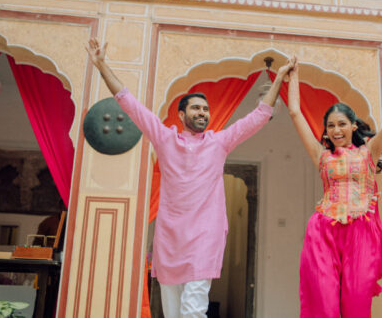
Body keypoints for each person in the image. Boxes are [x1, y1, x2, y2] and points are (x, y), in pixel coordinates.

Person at [86, 39, 294, 318]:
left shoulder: (219, 143)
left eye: (205, 109)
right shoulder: (164, 139)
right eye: (196, 108)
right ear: (182, 114)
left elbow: (258, 116)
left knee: (193, 309)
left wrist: (278, 78)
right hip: (170, 238)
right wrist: (101, 65)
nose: (202, 113)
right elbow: (129, 102)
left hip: (205, 237)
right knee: (173, 312)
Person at [287, 45, 382, 318]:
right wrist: (293, 76)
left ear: (353, 126)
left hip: (361, 234)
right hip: (323, 231)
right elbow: (295, 112)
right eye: (330, 126)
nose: (336, 130)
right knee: (324, 305)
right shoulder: (321, 155)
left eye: (341, 124)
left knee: (356, 305)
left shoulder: (370, 151)